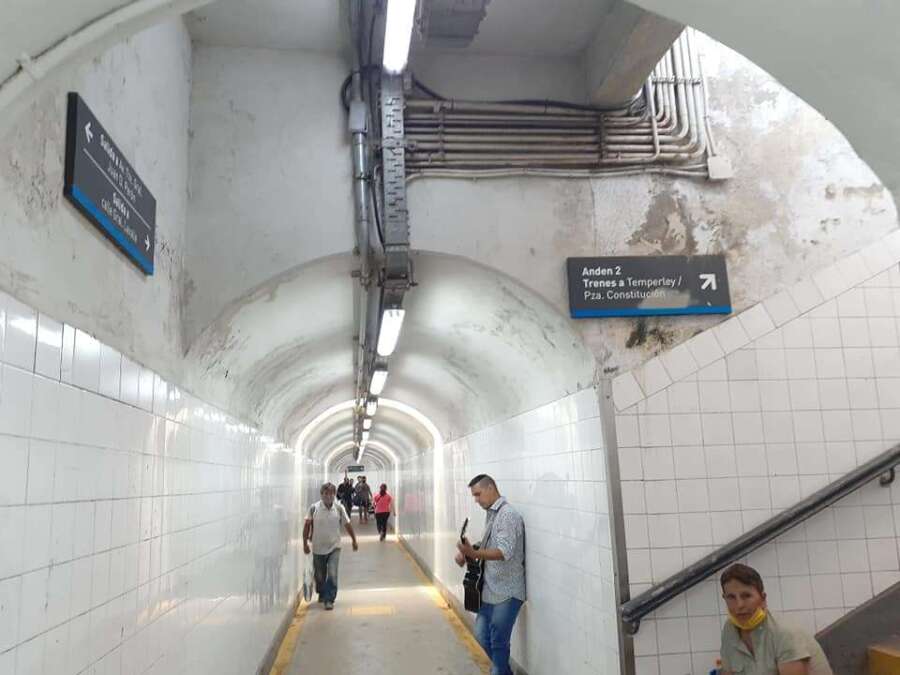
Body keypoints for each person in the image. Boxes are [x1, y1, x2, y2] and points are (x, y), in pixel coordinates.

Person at [455, 474, 526, 675]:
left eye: (478, 494)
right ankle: (503, 671)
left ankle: (500, 671)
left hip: (507, 592)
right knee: (481, 635)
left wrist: (474, 553)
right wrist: (467, 551)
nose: (476, 500)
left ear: (491, 488)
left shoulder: (507, 515)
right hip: (489, 590)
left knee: (498, 642)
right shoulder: (493, 513)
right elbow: (491, 542)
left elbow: (504, 551)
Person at [719, 563, 834, 675]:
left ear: (763, 599)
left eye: (746, 596)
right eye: (731, 597)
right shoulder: (729, 630)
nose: (739, 605)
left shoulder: (784, 632)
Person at [303, 482, 358, 610]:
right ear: (321, 494)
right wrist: (305, 543)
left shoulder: (339, 508)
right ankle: (322, 592)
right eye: (326, 493)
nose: (329, 496)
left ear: (334, 495)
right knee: (320, 576)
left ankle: (329, 599)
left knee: (332, 574)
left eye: (332, 493)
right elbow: (306, 526)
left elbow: (347, 524)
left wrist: (354, 540)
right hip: (318, 548)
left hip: (334, 547)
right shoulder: (314, 508)